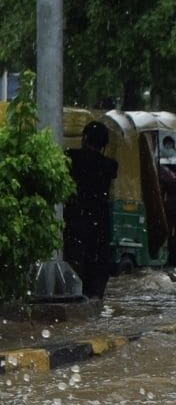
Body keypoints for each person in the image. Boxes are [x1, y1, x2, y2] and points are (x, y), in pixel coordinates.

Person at [64, 118, 118, 300]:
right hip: (100, 227)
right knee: (95, 288)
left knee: (74, 278)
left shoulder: (70, 158)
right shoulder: (110, 166)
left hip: (74, 223)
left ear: (84, 138)